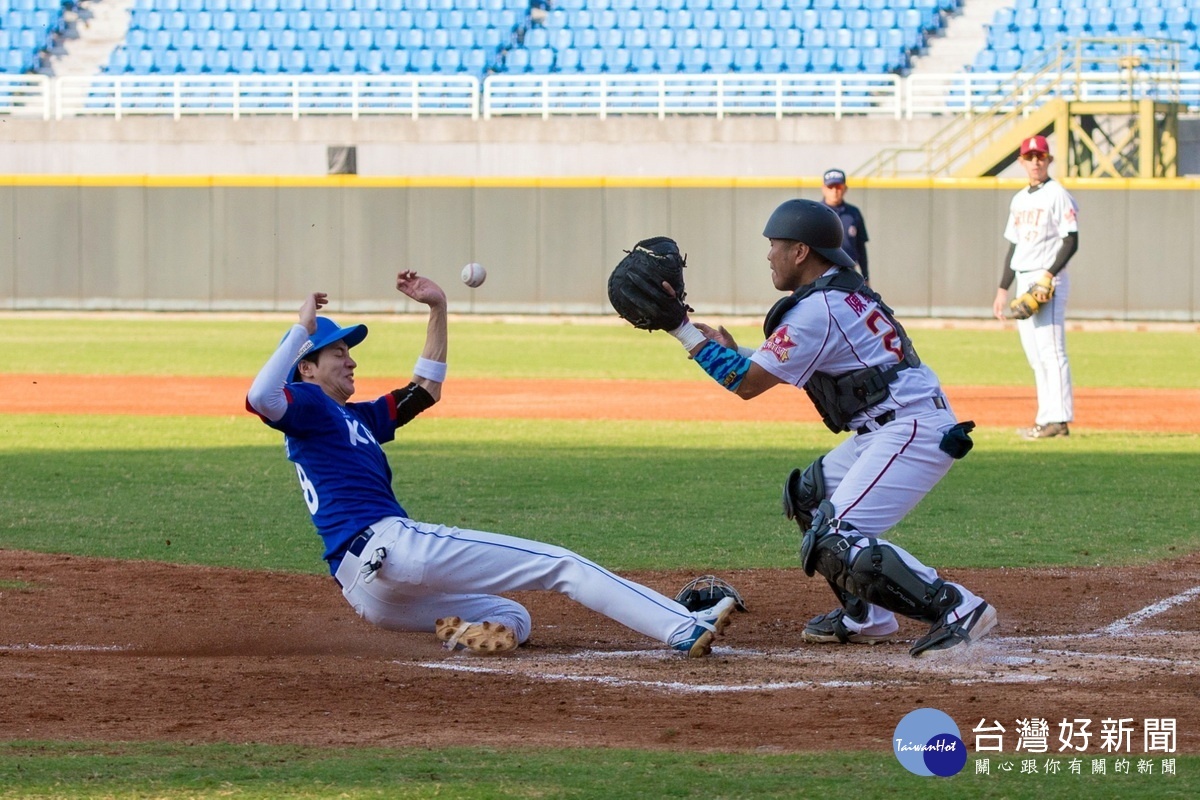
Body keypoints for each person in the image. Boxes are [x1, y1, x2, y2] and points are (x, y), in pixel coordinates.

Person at [245, 271, 734, 658]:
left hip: (369, 592)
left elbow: (423, 391)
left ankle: (466, 635)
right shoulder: (308, 403)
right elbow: (259, 395)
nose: (350, 362)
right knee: (562, 564)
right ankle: (682, 624)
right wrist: (299, 331)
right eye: (337, 353)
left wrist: (438, 309)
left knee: (513, 615)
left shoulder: (352, 417)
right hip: (392, 546)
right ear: (306, 367)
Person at [657, 200, 996, 657]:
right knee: (809, 495)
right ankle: (868, 616)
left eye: (774, 245)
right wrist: (730, 350)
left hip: (909, 429)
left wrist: (682, 330)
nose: (769, 255)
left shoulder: (818, 309)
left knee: (837, 533)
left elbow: (747, 384)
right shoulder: (835, 297)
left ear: (800, 252)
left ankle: (957, 607)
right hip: (895, 425)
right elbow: (775, 361)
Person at [992, 135, 1079, 440]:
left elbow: (1071, 240)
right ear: (1021, 162)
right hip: (1023, 278)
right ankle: (1046, 419)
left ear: (1048, 160)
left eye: (1040, 156)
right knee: (1035, 354)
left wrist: (1049, 275)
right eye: (1029, 157)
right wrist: (1003, 289)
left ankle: (1060, 419)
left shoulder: (1058, 195)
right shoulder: (1019, 199)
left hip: (1046, 280)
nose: (1035, 162)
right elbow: (1013, 246)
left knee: (1052, 350)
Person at [821, 168, 870, 284]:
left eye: (838, 187)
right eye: (830, 187)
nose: (834, 191)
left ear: (845, 189)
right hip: (821, 272)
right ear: (824, 189)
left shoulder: (853, 213)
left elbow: (861, 248)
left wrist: (866, 277)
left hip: (848, 272)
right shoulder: (815, 212)